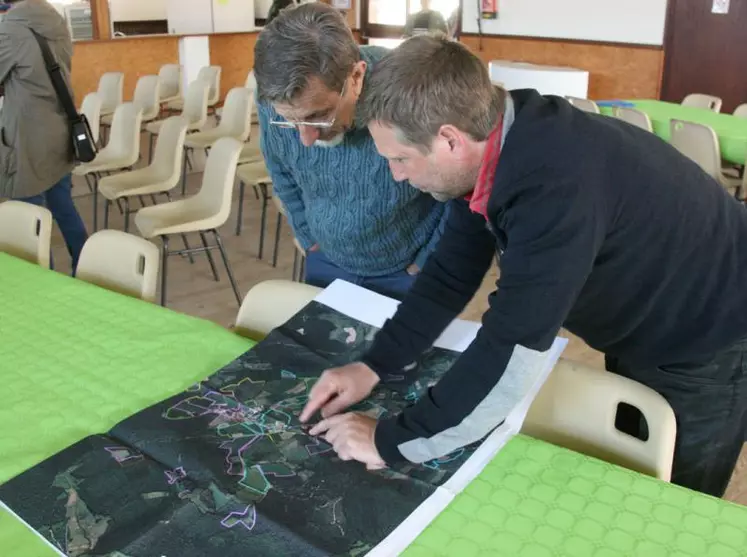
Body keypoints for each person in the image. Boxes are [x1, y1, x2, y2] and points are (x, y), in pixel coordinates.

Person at [301, 35, 747, 497]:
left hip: (713, 332)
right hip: (650, 308)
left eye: (400, 158)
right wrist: (374, 364)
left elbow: (511, 349)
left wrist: (389, 441)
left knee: (674, 495)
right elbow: (450, 275)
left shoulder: (553, 187)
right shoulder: (496, 136)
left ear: (449, 140)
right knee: (634, 461)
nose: (397, 174)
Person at [254, 3, 445, 300]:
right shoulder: (273, 96)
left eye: (320, 115)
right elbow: (281, 170)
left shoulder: (411, 90)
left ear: (356, 77)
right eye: (291, 121)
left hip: (406, 269)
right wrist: (308, 238)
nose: (306, 139)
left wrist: (428, 259)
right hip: (325, 259)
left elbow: (460, 187)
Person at [0, 0, 87, 270]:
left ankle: (42, 280)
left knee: (30, 215)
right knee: (62, 204)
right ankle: (85, 266)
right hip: (60, 128)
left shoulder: (11, 28)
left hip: (28, 137)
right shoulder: (55, 20)